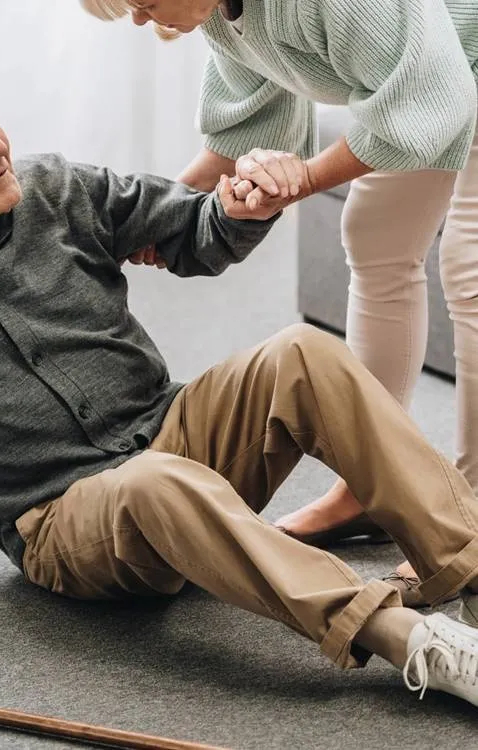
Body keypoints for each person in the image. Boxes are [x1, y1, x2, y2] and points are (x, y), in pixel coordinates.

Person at [0, 69, 478, 708]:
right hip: (63, 523)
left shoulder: (52, 188)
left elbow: (193, 229)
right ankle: (410, 642)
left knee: (303, 353)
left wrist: (242, 205)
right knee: (154, 481)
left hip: (170, 435)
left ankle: (466, 560)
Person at [81, 0, 478, 606]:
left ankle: (470, 509)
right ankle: (376, 487)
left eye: (142, 2)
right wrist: (144, 222)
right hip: (435, 80)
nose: (141, 20)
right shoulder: (219, 13)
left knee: (469, 266)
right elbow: (250, 130)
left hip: (453, 69)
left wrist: (301, 179)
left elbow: (425, 101)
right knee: (375, 237)